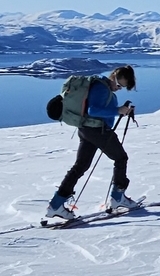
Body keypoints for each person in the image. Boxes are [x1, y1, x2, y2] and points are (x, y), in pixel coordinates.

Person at [45, 65, 139, 220]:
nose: (118, 88)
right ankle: (117, 197)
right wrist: (118, 110)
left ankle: (56, 204)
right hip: (97, 131)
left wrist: (121, 110)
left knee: (80, 166)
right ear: (114, 76)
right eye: (119, 84)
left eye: (121, 87)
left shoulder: (101, 86)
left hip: (87, 130)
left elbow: (97, 109)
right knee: (121, 158)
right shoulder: (102, 88)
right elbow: (93, 110)